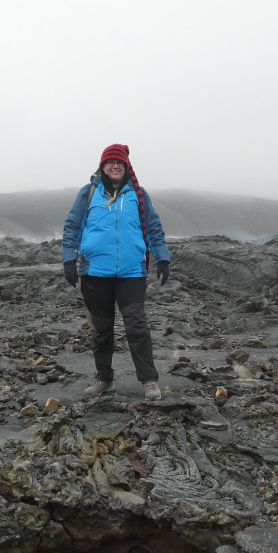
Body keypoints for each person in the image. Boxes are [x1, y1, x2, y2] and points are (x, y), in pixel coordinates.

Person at [62, 144, 171, 400]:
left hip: (132, 272)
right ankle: (104, 379)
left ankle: (149, 380)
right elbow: (72, 226)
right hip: (95, 273)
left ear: (126, 167)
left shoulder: (139, 195)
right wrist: (69, 259)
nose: (115, 166)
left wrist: (162, 257)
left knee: (137, 327)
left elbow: (154, 228)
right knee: (102, 329)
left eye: (119, 163)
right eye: (110, 162)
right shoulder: (89, 193)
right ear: (102, 166)